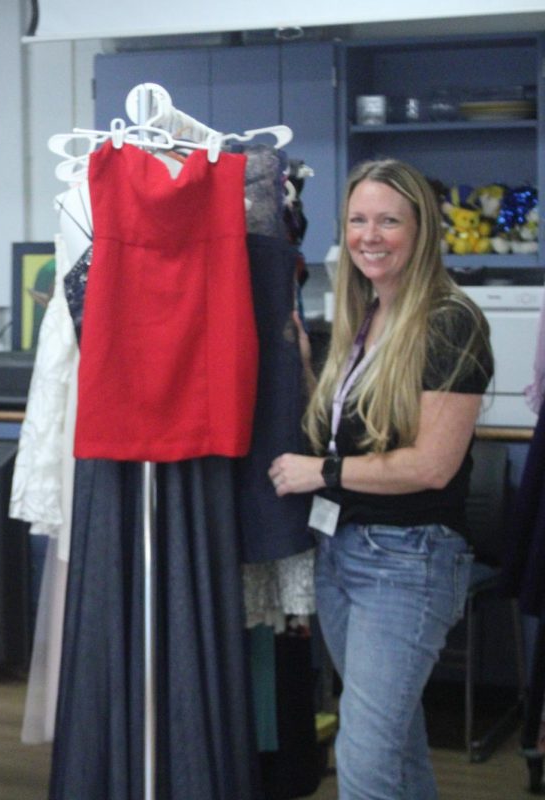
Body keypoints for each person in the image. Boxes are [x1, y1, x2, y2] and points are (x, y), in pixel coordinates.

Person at [269, 158, 493, 799]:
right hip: (345, 552)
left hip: (409, 560)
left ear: (421, 231)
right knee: (395, 749)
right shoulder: (368, 317)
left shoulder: (450, 321)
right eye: (359, 219)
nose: (370, 235)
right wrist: (311, 369)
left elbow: (432, 464)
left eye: (389, 221)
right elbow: (348, 428)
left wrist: (324, 472)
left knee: (364, 758)